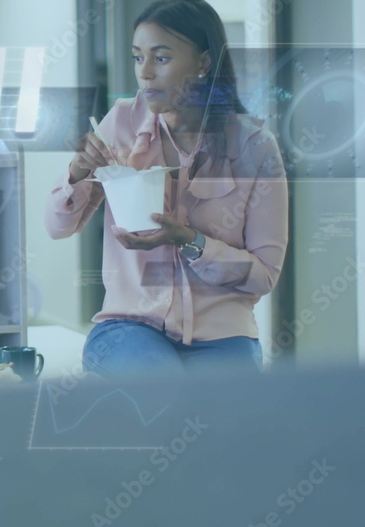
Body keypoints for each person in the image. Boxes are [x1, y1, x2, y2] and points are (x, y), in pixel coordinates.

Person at [45, 0, 288, 376]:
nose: (145, 74)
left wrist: (192, 242)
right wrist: (77, 171)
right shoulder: (121, 123)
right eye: (137, 58)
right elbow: (58, 227)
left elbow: (264, 274)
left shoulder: (254, 146)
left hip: (222, 335)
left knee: (229, 419)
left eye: (160, 59)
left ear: (204, 63)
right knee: (160, 384)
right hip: (129, 325)